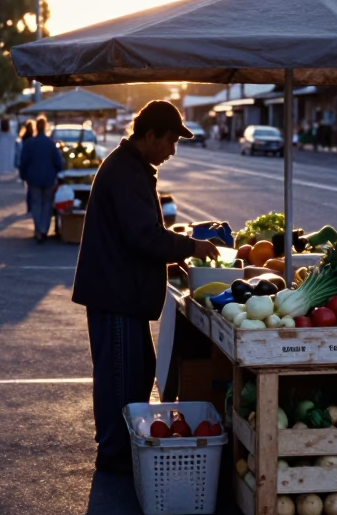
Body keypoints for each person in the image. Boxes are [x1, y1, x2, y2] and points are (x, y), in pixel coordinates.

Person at [72, 100, 223, 475]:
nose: (172, 150)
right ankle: (115, 453)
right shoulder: (126, 172)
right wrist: (190, 246)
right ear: (150, 135)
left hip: (124, 293)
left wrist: (178, 254)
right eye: (170, 141)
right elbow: (142, 236)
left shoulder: (133, 168)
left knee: (136, 375)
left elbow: (141, 236)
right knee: (120, 379)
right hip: (116, 295)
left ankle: (123, 448)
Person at [18, 115, 62, 242]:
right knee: (47, 205)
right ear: (46, 127)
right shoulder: (51, 144)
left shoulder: (29, 143)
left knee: (36, 204)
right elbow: (59, 163)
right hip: (49, 179)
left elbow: (23, 161)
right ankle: (43, 230)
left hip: (33, 179)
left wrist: (23, 175)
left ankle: (38, 229)